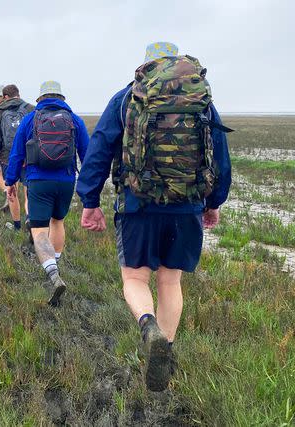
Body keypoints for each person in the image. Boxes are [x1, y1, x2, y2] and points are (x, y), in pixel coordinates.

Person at [77, 42, 232, 392]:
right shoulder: (200, 101)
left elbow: (100, 148)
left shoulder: (126, 98)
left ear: (145, 65)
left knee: (134, 279)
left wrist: (90, 200)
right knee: (170, 282)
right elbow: (219, 156)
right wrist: (213, 202)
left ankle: (149, 329)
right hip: (187, 207)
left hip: (139, 206)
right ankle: (168, 351)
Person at [5, 81, 89, 307]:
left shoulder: (30, 119)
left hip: (38, 181)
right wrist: (90, 188)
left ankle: (52, 274)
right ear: (62, 97)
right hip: (65, 180)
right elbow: (88, 154)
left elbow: (16, 154)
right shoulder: (75, 120)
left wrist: (10, 182)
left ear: (40, 98)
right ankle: (56, 263)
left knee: (39, 230)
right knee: (58, 222)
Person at [0, 84, 34, 231]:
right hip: (29, 158)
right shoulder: (31, 109)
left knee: (12, 191)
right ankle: (29, 217)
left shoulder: (0, 113)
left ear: (5, 97)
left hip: (8, 158)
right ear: (18, 94)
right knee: (29, 192)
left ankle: (16, 226)